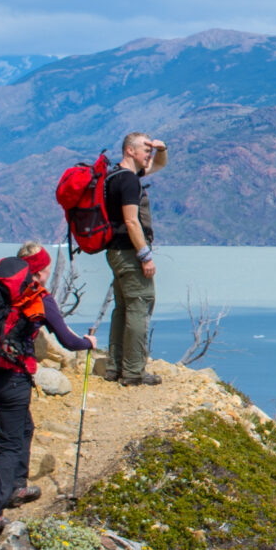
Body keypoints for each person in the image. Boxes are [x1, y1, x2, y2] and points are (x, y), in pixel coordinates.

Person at [0, 241, 96, 535]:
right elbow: (68, 341)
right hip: (11, 379)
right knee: (10, 443)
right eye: (45, 268)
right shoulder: (38, 298)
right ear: (40, 271)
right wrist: (89, 343)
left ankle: (18, 487)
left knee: (24, 428)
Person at [103, 130, 163, 385]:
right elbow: (131, 221)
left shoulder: (114, 176)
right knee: (140, 305)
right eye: (145, 148)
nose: (149, 153)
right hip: (129, 253)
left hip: (115, 251)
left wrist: (162, 149)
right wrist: (145, 256)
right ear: (130, 150)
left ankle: (115, 367)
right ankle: (134, 372)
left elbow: (159, 164)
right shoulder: (128, 181)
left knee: (123, 308)